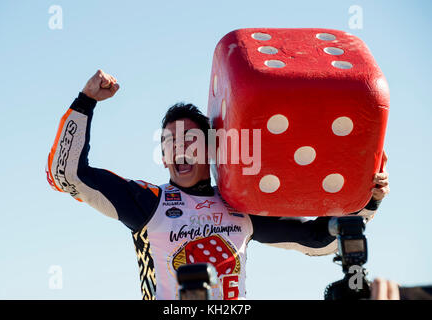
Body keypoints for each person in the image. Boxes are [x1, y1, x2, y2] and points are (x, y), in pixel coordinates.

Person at [46, 70, 390, 300]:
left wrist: (367, 201)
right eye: (169, 142)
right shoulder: (148, 202)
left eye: (190, 139)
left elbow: (318, 242)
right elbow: (68, 174)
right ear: (163, 157)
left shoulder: (240, 206)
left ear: (212, 149)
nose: (179, 147)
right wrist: (85, 100)